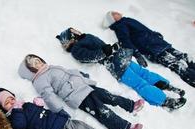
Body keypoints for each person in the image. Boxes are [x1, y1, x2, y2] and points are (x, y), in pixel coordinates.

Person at [18, 54, 144, 129]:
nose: (38, 62)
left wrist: (80, 75)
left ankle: (131, 105)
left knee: (109, 96)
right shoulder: (39, 80)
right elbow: (48, 96)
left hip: (84, 85)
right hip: (77, 95)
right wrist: (58, 110)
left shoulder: (49, 68)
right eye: (33, 63)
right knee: (102, 111)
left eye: (37, 59)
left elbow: (68, 72)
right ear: (31, 71)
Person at [55, 27, 187, 111]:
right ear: (71, 38)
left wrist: (113, 49)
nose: (76, 30)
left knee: (144, 73)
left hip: (120, 57)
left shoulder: (86, 36)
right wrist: (105, 51)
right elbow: (89, 56)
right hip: (115, 65)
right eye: (73, 32)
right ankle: (164, 100)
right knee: (140, 84)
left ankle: (166, 86)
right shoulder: (76, 49)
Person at [102, 11, 195, 87]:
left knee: (183, 56)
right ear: (113, 19)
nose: (117, 12)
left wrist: (155, 34)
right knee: (177, 64)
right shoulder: (120, 26)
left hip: (157, 42)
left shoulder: (126, 20)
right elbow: (125, 41)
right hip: (152, 49)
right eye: (114, 14)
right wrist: (137, 53)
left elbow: (143, 30)